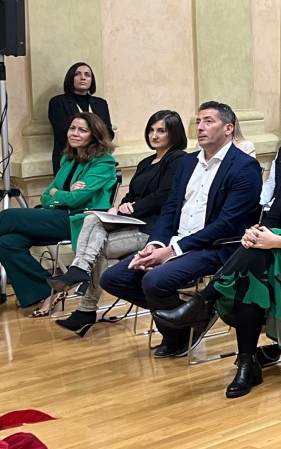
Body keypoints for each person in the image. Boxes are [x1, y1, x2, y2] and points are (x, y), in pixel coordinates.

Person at [155, 118, 281, 398]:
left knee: (252, 268)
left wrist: (275, 240)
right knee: (252, 271)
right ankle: (244, 361)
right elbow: (272, 219)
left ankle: (204, 306)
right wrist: (255, 234)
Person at [100, 102, 263, 358]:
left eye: (208, 121)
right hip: (175, 242)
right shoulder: (188, 163)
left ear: (228, 128)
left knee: (154, 280)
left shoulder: (244, 167)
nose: (200, 127)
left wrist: (172, 251)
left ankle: (177, 333)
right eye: (198, 121)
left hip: (215, 247)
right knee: (113, 278)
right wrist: (155, 244)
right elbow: (170, 208)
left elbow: (227, 224)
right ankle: (189, 321)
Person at [55, 110, 188, 337]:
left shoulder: (178, 159)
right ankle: (80, 272)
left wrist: (133, 207)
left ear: (173, 133)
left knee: (95, 249)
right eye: (151, 130)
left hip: (153, 230)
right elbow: (132, 194)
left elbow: (165, 196)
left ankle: (85, 302)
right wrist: (120, 206)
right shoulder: (147, 162)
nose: (154, 135)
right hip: (131, 222)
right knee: (92, 218)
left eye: (161, 131)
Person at [0, 113, 117, 314]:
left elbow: (76, 200)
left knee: (8, 216)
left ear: (94, 135)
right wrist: (63, 193)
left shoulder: (103, 162)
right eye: (72, 128)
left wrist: (59, 194)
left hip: (79, 220)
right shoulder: (68, 160)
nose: (75, 133)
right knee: (7, 242)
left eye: (82, 130)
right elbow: (46, 196)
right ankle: (46, 290)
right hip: (56, 216)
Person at [47, 61, 113, 173]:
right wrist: (96, 139)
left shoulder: (101, 103)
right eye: (77, 74)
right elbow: (63, 133)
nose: (83, 78)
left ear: (91, 80)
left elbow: (108, 132)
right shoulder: (58, 102)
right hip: (68, 159)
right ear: (70, 78)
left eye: (87, 75)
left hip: (97, 160)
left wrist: (94, 150)